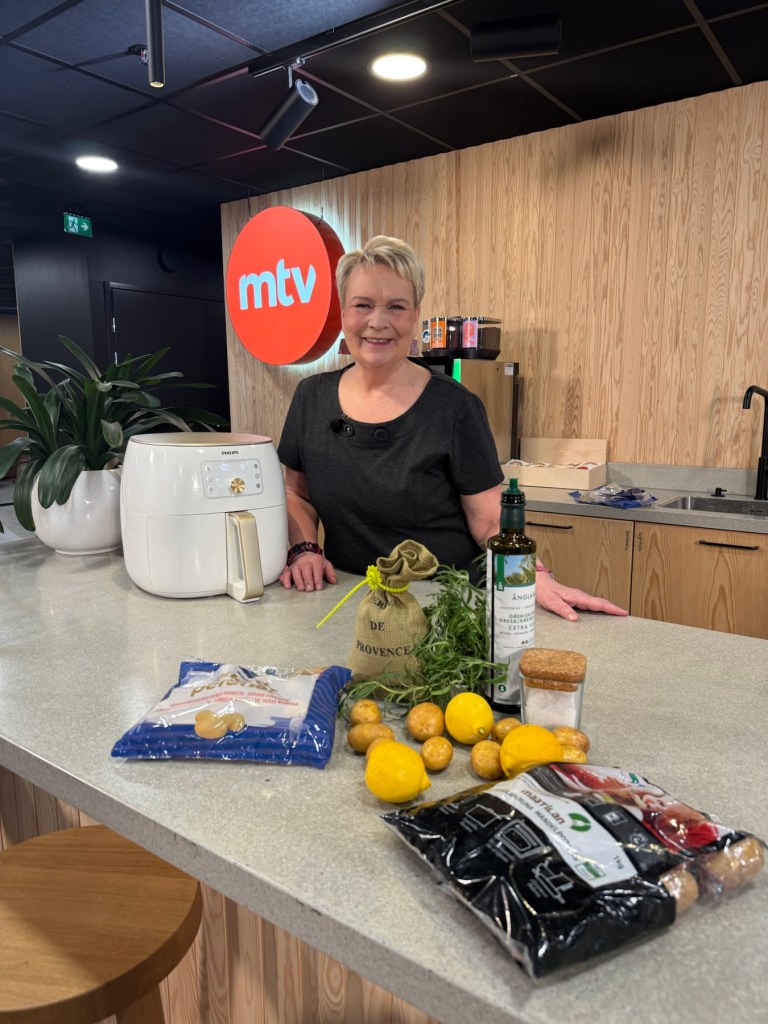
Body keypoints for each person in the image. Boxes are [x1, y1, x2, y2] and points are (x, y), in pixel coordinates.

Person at [277, 235, 627, 622]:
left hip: (448, 608)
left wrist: (532, 577)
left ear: (415, 316)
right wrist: (305, 549)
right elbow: (297, 494)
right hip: (349, 600)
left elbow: (490, 521)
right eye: (363, 305)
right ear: (344, 312)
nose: (378, 322)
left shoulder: (456, 407)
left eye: (396, 306)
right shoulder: (311, 397)